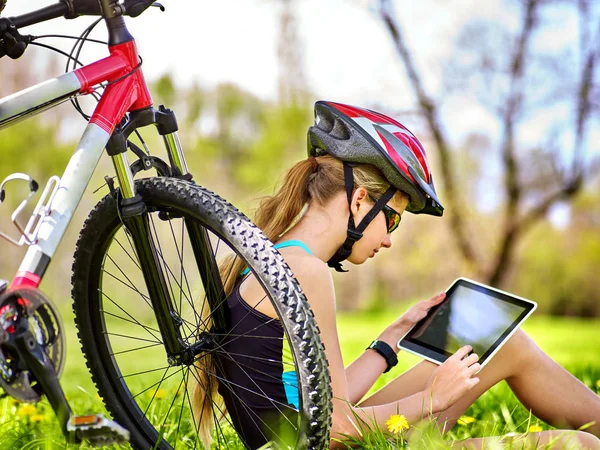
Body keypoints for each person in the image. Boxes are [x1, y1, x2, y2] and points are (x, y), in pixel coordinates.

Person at [193, 101, 600, 449]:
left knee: (503, 345)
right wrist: (431, 400)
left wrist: (391, 338)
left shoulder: (276, 259)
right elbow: (334, 428)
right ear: (359, 201)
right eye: (392, 221)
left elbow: (329, 403)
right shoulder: (308, 271)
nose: (388, 240)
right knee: (579, 445)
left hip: (307, 438)